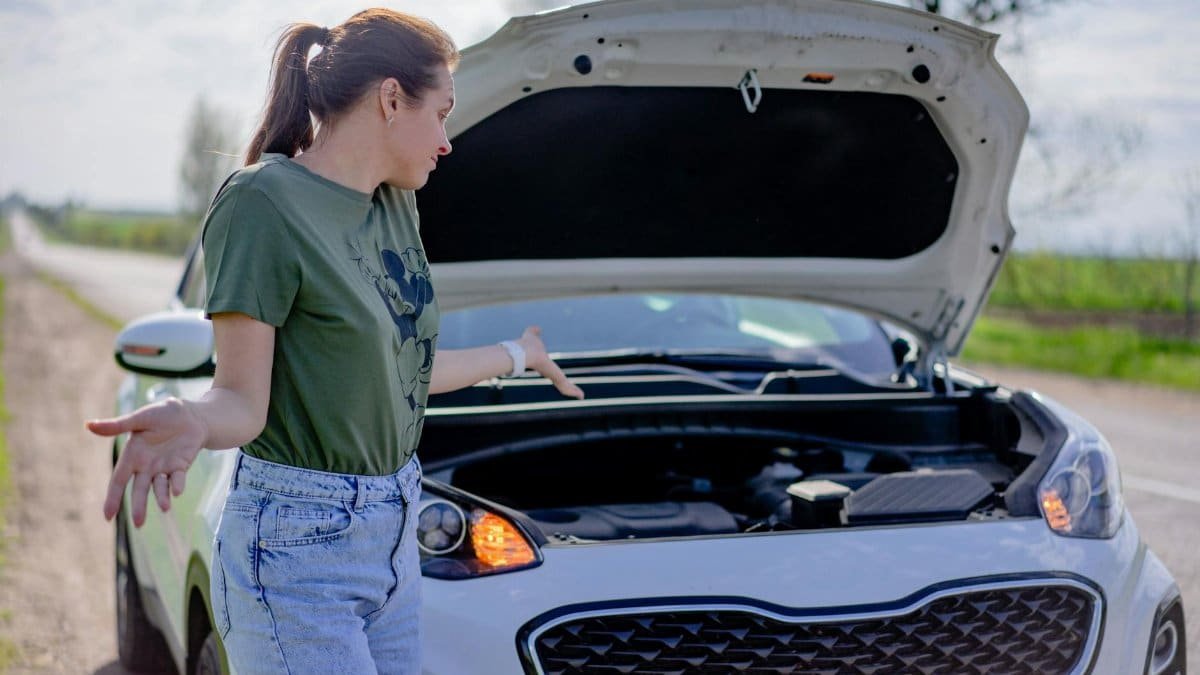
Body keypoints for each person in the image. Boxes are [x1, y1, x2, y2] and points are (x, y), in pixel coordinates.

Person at [86, 8, 583, 674]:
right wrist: (192, 419)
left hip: (396, 534)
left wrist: (520, 354)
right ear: (390, 98)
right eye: (442, 113)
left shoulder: (394, 205)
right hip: (296, 546)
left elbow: (404, 367)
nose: (447, 141)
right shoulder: (263, 202)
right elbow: (241, 400)